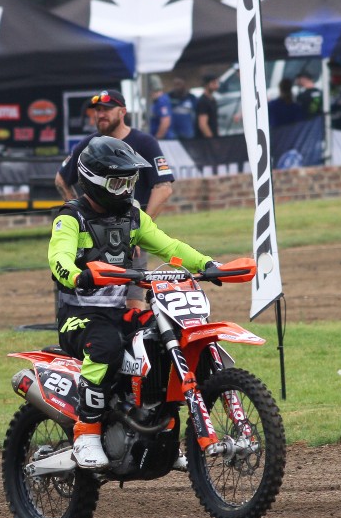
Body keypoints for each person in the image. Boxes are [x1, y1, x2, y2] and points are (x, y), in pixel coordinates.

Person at [48, 135, 218, 470]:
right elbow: (59, 259)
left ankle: (163, 434)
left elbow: (170, 247)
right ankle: (86, 432)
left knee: (167, 340)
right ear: (94, 181)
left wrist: (207, 264)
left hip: (118, 312)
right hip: (79, 317)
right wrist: (78, 276)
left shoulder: (133, 216)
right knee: (107, 346)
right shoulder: (71, 218)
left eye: (130, 181)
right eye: (118, 183)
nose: (126, 190)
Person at [54, 89, 174, 310]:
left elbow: (163, 187)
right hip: (94, 237)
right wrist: (79, 211)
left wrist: (136, 229)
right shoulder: (88, 145)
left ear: (123, 111)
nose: (100, 114)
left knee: (133, 303)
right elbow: (61, 179)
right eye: (97, 110)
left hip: (131, 235)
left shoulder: (144, 142)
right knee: (94, 303)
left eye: (107, 110)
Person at [196, 74, 219, 138]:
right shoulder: (203, 101)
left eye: (217, 83)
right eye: (214, 83)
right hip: (206, 140)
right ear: (206, 84)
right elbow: (203, 125)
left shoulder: (213, 100)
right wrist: (212, 140)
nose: (217, 86)